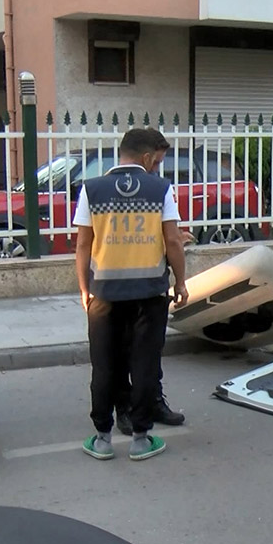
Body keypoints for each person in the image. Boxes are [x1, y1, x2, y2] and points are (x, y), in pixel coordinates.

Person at [75, 129, 189, 461]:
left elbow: (83, 244)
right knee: (145, 363)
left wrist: (84, 288)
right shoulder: (160, 190)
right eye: (159, 160)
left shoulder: (92, 190)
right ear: (148, 157)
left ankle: (101, 439)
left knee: (104, 365)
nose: (159, 166)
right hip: (150, 294)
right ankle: (141, 439)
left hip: (105, 294)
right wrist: (180, 282)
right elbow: (172, 241)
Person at [113, 228, 197, 437]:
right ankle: (124, 408)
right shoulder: (107, 195)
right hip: (117, 281)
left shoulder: (161, 194)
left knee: (149, 352)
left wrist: (175, 236)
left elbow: (164, 229)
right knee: (124, 350)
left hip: (150, 283)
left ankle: (152, 401)